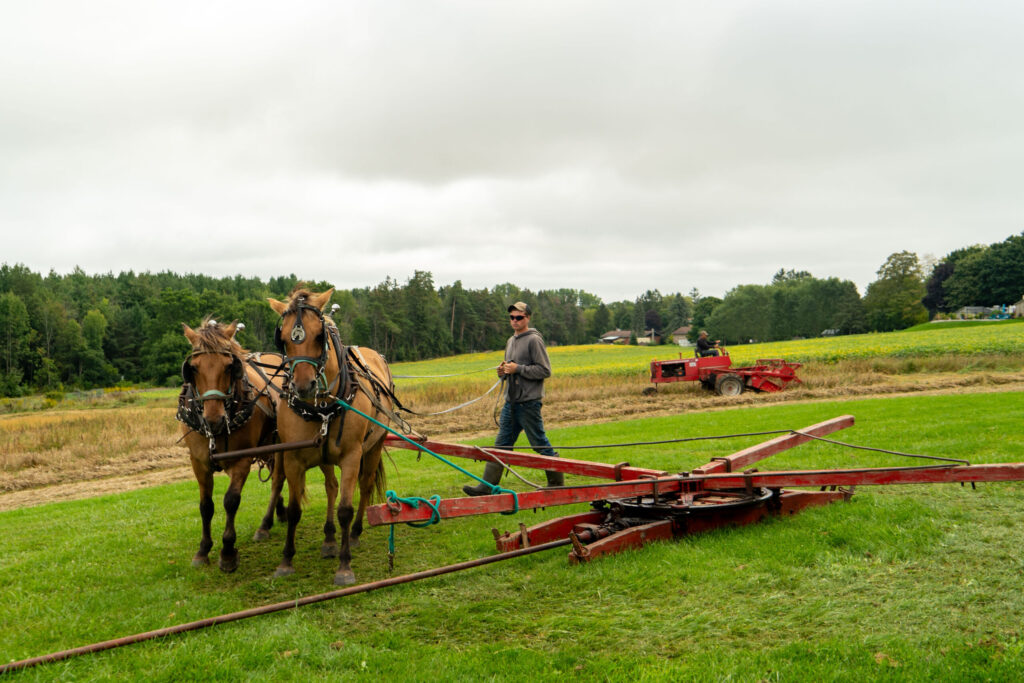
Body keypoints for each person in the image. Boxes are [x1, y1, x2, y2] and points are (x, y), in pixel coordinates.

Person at [463, 301, 564, 496]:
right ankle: (487, 487)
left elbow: (545, 370)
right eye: (512, 317)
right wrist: (503, 371)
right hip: (511, 403)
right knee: (501, 445)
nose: (515, 321)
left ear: (528, 318)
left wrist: (518, 369)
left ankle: (557, 483)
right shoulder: (511, 341)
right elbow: (510, 370)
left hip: (528, 403)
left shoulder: (534, 340)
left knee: (539, 443)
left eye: (519, 317)